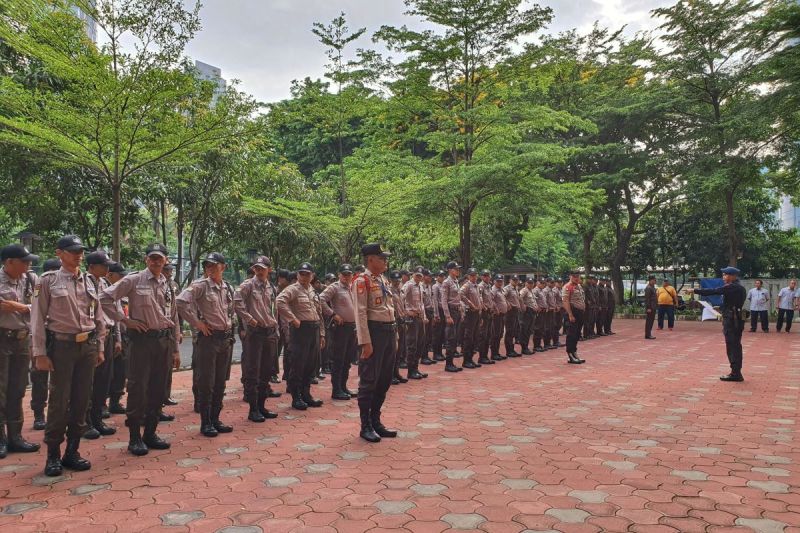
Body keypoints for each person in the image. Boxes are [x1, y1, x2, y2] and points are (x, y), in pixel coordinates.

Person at [32, 235, 106, 476]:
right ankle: (53, 453)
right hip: (61, 347)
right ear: (59, 253)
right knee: (58, 401)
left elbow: (98, 318)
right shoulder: (48, 281)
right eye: (73, 251)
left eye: (80, 251)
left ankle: (72, 451)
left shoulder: (91, 282)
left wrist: (100, 347)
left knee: (82, 399)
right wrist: (40, 353)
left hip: (87, 347)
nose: (78, 255)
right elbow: (37, 320)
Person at [100, 243, 180, 457]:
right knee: (137, 388)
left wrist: (174, 348)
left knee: (158, 388)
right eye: (152, 258)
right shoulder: (134, 280)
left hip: (163, 341)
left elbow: (173, 317)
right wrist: (125, 320)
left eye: (159, 258)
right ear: (146, 260)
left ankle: (151, 434)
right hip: (141, 342)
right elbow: (105, 298)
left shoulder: (168, 284)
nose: (156, 261)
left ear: (165, 261)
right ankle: (135, 437)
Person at [352, 243, 398, 443]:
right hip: (374, 333)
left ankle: (376, 421)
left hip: (388, 331)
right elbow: (360, 313)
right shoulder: (361, 280)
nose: (385, 261)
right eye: (381, 258)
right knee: (369, 380)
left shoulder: (382, 279)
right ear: (370, 260)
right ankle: (365, 426)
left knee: (384, 379)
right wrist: (365, 342)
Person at [0, 244, 41, 460]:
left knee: (17, 389)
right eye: (24, 261)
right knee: (1, 390)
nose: (29, 264)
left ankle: (16, 436)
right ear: (9, 262)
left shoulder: (30, 279)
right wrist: (24, 306)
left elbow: (40, 303)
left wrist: (14, 306)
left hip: (22, 340)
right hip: (2, 338)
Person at [234, 255, 280, 422]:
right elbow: (237, 303)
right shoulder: (247, 285)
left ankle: (262, 406)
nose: (259, 271)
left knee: (266, 371)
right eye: (257, 268)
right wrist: (249, 320)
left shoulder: (271, 287)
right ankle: (253, 410)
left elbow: (273, 308)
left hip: (269, 332)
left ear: (269, 270)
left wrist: (276, 327)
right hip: (255, 333)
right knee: (253, 371)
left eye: (262, 268)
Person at [275, 262, 326, 410]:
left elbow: (319, 314)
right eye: (301, 274)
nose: (304, 277)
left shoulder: (313, 291)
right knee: (298, 365)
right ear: (297, 275)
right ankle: (296, 397)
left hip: (314, 330)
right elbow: (279, 301)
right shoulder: (293, 289)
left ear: (312, 276)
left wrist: (322, 334)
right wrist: (292, 318)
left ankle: (306, 394)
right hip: (301, 331)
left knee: (311, 365)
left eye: (307, 274)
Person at [689, 266, 747, 382]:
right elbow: (733, 303)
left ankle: (735, 373)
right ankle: (736, 372)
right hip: (734, 318)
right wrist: (721, 308)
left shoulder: (732, 287)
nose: (723, 277)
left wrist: (694, 290)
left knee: (732, 346)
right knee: (734, 345)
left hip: (732, 320)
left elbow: (714, 291)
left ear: (733, 276)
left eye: (726, 275)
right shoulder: (737, 288)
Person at [83, 251, 119, 440]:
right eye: (103, 265)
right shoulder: (83, 282)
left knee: (103, 381)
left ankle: (97, 419)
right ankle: (85, 422)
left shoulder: (104, 283)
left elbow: (114, 312)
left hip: (109, 334)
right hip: (94, 336)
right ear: (92, 266)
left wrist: (118, 338)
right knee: (88, 382)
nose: (107, 268)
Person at [29, 257, 61, 431]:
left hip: (58, 336)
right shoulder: (40, 285)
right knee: (39, 377)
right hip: (40, 335)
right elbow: (36, 316)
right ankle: (39, 414)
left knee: (61, 378)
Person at [319, 264, 357, 400]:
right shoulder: (335, 287)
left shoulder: (352, 287)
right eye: (344, 274)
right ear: (340, 274)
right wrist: (332, 314)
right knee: (338, 359)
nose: (347, 277)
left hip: (352, 327)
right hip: (340, 328)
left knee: (347, 359)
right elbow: (320, 299)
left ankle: (343, 386)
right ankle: (336, 389)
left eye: (349, 274)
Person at [106, 262, 129, 417]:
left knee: (121, 371)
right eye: (119, 276)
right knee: (106, 372)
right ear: (110, 275)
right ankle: (100, 404)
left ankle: (115, 401)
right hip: (107, 335)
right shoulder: (105, 291)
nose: (122, 279)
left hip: (120, 334)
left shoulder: (120, 291)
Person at [402, 267, 428, 379]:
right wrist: (406, 311)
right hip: (411, 319)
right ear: (413, 275)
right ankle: (410, 371)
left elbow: (422, 303)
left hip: (420, 318)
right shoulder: (408, 285)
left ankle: (416, 368)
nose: (419, 277)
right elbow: (400, 298)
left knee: (420, 344)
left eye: (421, 276)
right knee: (412, 344)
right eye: (417, 275)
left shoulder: (421, 285)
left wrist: (424, 316)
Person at [440, 261, 462, 370]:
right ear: (449, 270)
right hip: (451, 311)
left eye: (458, 268)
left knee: (455, 338)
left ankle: (451, 363)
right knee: (450, 338)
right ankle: (448, 364)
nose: (457, 270)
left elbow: (458, 299)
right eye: (455, 269)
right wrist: (447, 316)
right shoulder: (446, 282)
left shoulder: (456, 281)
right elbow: (444, 300)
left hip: (457, 311)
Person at [458, 268, 482, 369]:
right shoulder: (467, 285)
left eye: (475, 275)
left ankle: (471, 359)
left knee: (475, 337)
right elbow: (460, 294)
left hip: (477, 314)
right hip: (470, 313)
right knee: (469, 337)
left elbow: (479, 299)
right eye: (472, 275)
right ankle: (466, 360)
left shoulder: (476, 286)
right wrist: (470, 304)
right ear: (468, 276)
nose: (474, 277)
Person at [562, 271, 586, 365]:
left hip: (580, 313)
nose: (576, 278)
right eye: (574, 276)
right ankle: (570, 354)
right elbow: (565, 301)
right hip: (573, 312)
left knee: (577, 334)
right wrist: (570, 315)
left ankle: (574, 352)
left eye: (578, 276)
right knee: (571, 334)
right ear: (570, 276)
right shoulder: (567, 287)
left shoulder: (579, 286)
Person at [388, 271, 408, 384]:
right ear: (391, 280)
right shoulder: (388, 291)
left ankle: (396, 372)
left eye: (398, 281)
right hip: (393, 322)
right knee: (393, 351)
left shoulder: (401, 290)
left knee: (400, 349)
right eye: (395, 281)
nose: (397, 283)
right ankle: (390, 375)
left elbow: (403, 306)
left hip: (402, 322)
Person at [476, 270, 495, 365]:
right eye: (485, 276)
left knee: (488, 335)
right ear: (482, 277)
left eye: (488, 275)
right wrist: (485, 308)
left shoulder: (489, 286)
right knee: (483, 335)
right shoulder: (480, 286)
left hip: (490, 313)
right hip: (484, 313)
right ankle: (482, 357)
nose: (487, 277)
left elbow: (490, 299)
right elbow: (480, 299)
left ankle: (485, 356)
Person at [420, 269, 437, 366]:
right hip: (424, 312)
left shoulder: (429, 286)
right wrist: (424, 315)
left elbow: (432, 301)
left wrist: (434, 314)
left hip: (430, 311)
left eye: (431, 276)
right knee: (424, 336)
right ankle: (423, 356)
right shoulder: (421, 287)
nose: (430, 278)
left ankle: (426, 356)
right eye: (428, 276)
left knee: (429, 335)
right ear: (424, 276)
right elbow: (421, 302)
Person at [489, 275, 508, 361]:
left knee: (500, 334)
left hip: (502, 315)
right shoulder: (494, 289)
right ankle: (494, 354)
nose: (500, 282)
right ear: (494, 281)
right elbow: (491, 300)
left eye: (501, 281)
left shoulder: (501, 289)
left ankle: (497, 352)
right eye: (498, 281)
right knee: (495, 334)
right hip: (497, 315)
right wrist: (496, 308)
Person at [502, 276, 521, 357]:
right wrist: (507, 303)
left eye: (517, 280)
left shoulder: (515, 288)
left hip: (515, 311)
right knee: (509, 331)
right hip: (510, 311)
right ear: (510, 280)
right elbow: (502, 296)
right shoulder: (507, 288)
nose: (515, 281)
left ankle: (512, 349)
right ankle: (509, 351)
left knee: (513, 331)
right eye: (514, 280)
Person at [430, 271, 446, 362]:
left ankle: (439, 352)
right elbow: (435, 301)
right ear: (437, 277)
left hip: (443, 311)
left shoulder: (443, 286)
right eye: (440, 276)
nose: (442, 277)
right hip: (438, 311)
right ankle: (436, 354)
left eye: (443, 276)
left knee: (442, 334)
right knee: (437, 334)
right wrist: (436, 314)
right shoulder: (435, 286)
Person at [518, 278, 536, 355]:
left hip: (532, 312)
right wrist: (523, 305)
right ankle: (524, 348)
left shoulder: (531, 291)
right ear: (526, 283)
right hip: (526, 312)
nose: (530, 284)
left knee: (529, 330)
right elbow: (519, 297)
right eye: (529, 283)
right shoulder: (524, 290)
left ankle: (526, 347)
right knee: (524, 330)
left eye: (532, 283)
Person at [644, 275, 657, 339]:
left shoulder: (652, 287)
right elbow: (647, 299)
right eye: (654, 280)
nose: (655, 281)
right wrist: (648, 308)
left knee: (651, 321)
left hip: (653, 307)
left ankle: (648, 334)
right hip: (650, 307)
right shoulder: (648, 288)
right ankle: (648, 335)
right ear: (651, 280)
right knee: (649, 321)